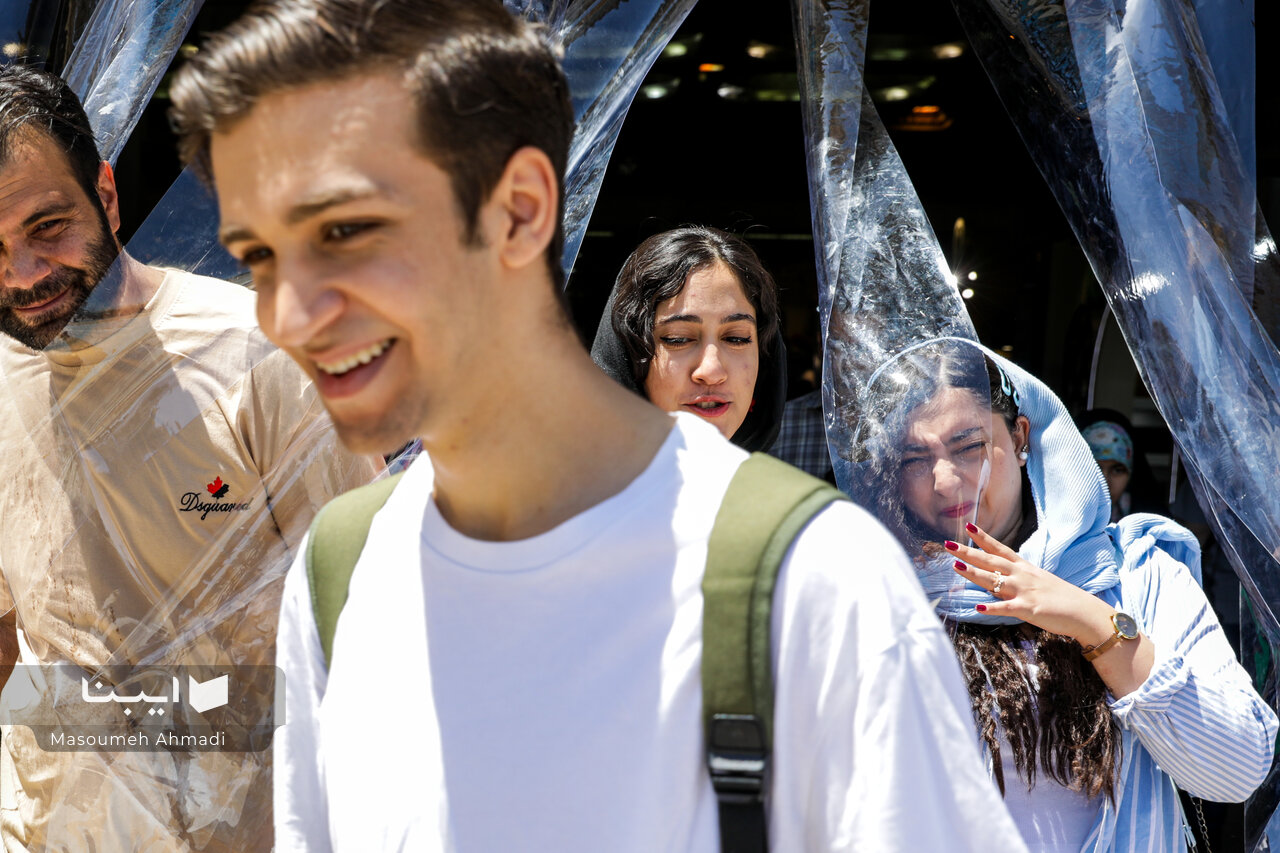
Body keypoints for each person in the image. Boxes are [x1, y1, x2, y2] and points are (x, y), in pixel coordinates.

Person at [169, 2, 1030, 850]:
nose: (287, 314)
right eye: (260, 256)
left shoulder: (813, 578)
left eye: (344, 232)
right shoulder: (342, 569)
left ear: (519, 210)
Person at [0, 65, 377, 850]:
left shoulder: (261, 360)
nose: (24, 274)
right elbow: (11, 645)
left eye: (47, 226)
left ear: (106, 195)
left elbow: (368, 634)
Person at [849, 336, 1277, 852]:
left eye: (968, 447)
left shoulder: (1133, 573)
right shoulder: (874, 590)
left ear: (1021, 437)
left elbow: (1237, 771)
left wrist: (1092, 623)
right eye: (915, 459)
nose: (945, 481)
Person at [591, 226, 786, 451]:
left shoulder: (786, 475)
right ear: (627, 354)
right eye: (678, 339)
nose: (711, 372)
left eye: (736, 338)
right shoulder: (572, 472)